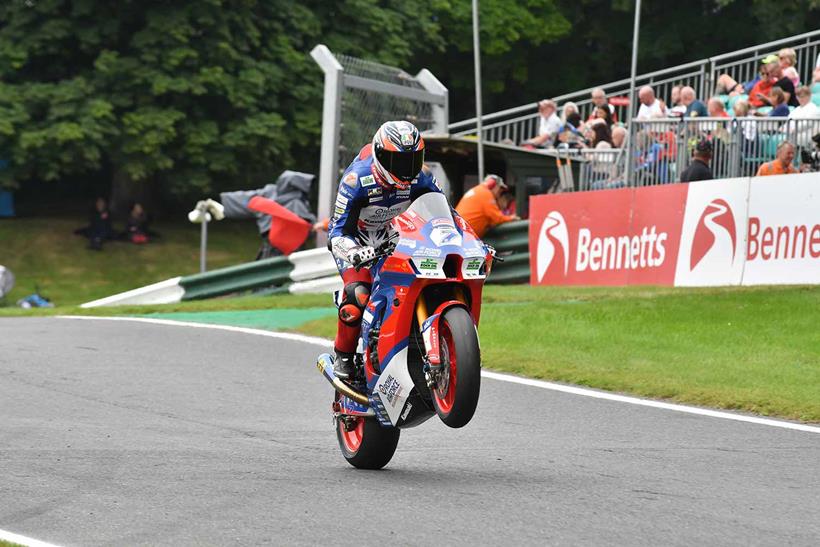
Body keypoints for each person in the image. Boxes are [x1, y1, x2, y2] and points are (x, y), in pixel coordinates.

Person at [328, 120, 448, 379]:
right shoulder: (356, 179)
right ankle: (344, 356)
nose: (407, 170)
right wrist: (353, 253)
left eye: (413, 160)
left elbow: (445, 213)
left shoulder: (422, 176)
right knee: (358, 295)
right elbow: (336, 232)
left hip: (395, 237)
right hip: (358, 242)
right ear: (381, 156)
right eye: (399, 161)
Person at [455, 174, 520, 238]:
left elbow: (490, 219)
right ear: (492, 184)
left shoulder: (477, 190)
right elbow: (497, 218)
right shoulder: (486, 194)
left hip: (459, 232)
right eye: (500, 188)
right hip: (464, 235)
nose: (500, 191)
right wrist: (512, 218)